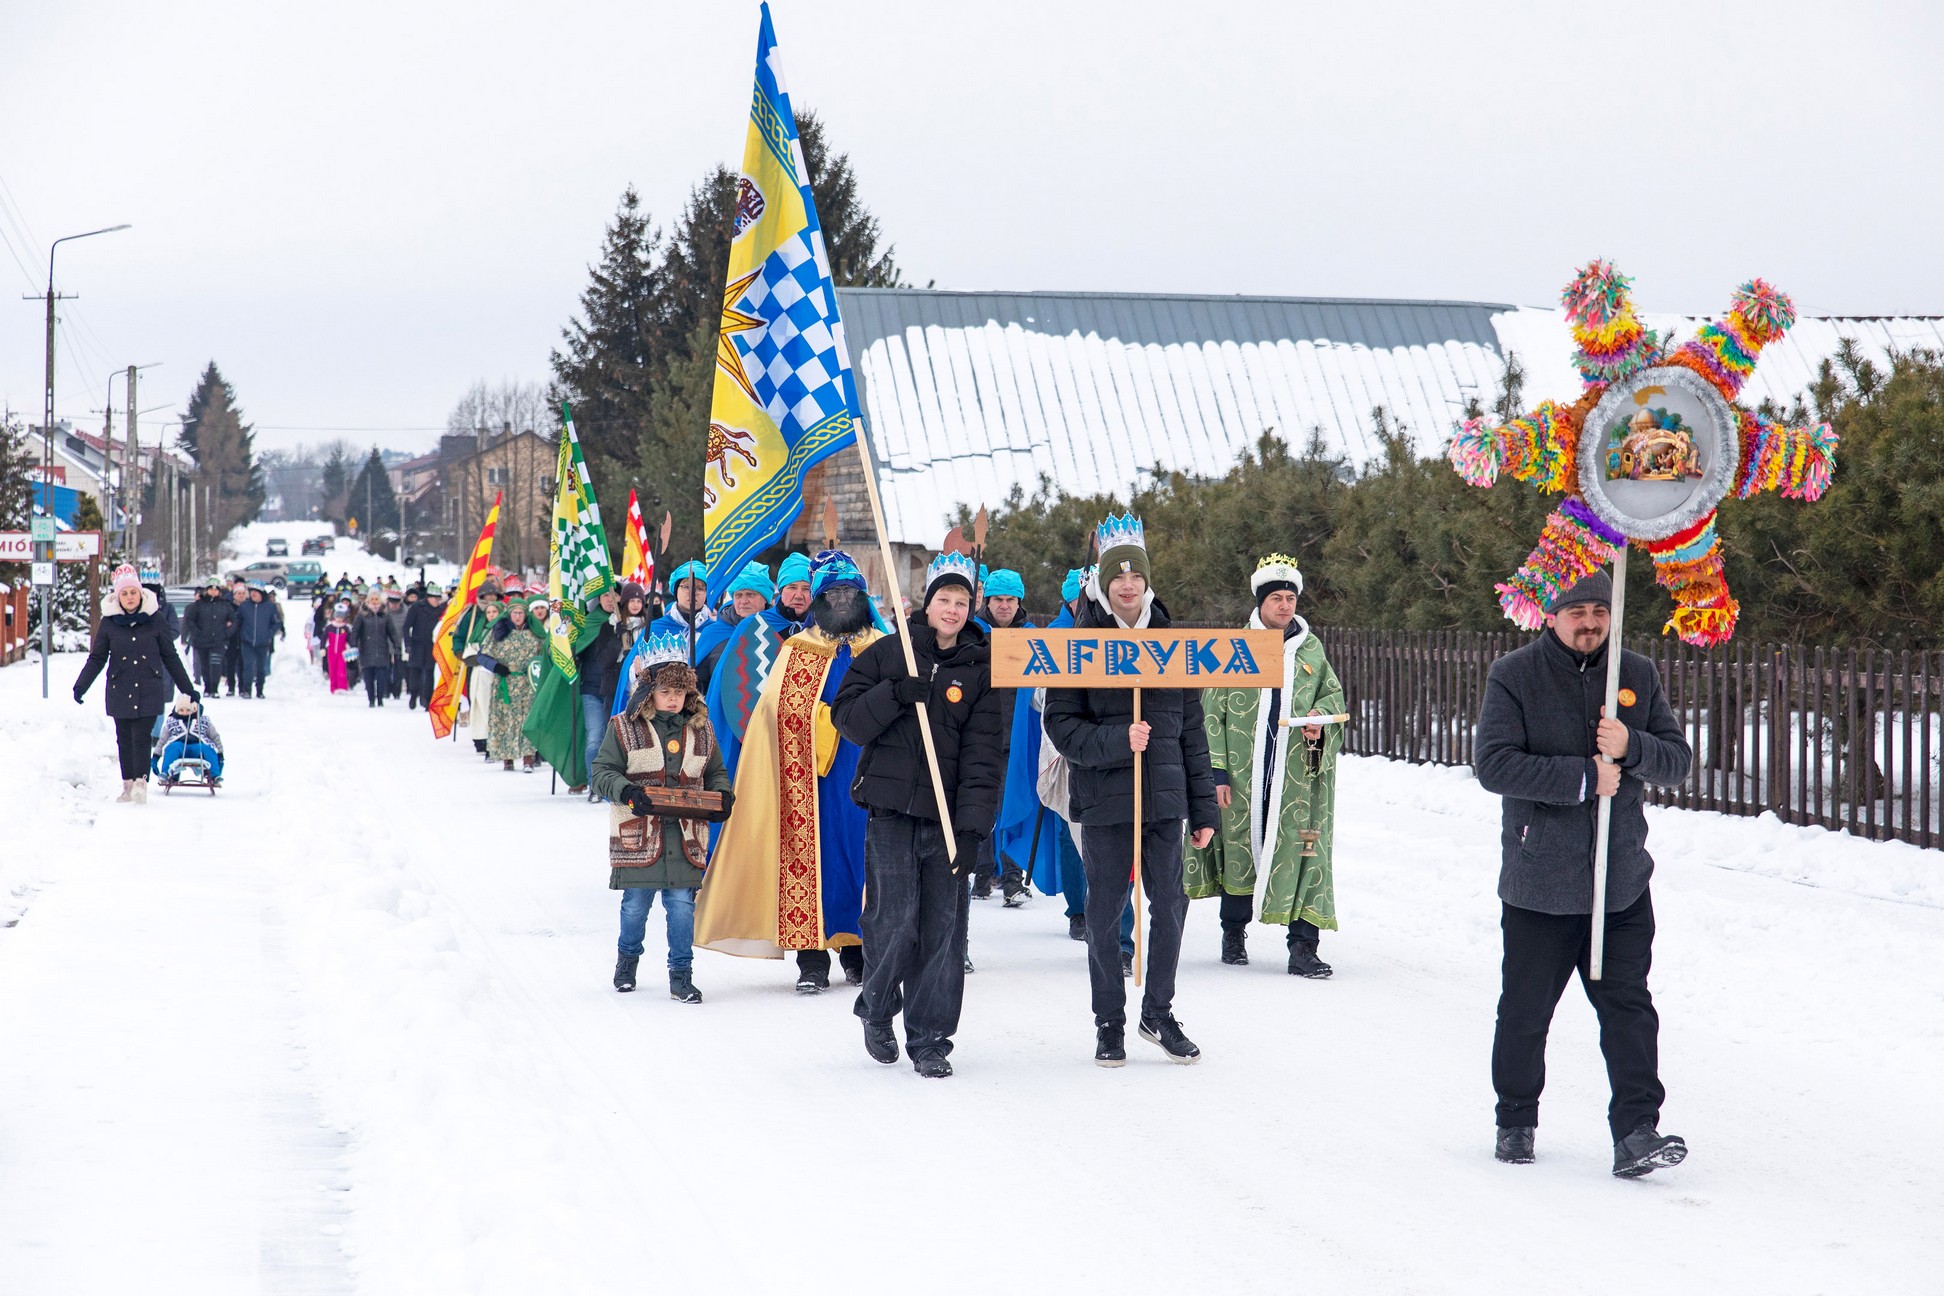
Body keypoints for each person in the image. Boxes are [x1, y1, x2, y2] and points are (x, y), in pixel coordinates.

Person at [1474, 571, 1693, 1176]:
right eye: (1577, 611)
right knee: (1525, 1011)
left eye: (1600, 609)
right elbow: (1493, 764)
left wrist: (1632, 746)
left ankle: (1637, 1133)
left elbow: (1678, 762)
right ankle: (1515, 1119)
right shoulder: (1514, 675)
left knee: (1629, 1008)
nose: (1590, 622)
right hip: (1540, 882)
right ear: (1551, 615)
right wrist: (1580, 779)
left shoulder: (1637, 674)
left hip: (1620, 882)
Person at [1044, 514, 1219, 1067]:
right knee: (1103, 913)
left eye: (1136, 577)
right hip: (1105, 801)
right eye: (1117, 577)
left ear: (1146, 583)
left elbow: (1193, 732)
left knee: (1169, 905)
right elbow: (1062, 726)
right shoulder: (1079, 645)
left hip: (1165, 803)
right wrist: (1119, 739)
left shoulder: (1173, 645)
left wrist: (1202, 805)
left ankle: (1158, 1013)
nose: (1127, 585)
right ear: (1103, 582)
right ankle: (1109, 1020)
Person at [833, 553, 1007, 1077]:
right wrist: (893, 695)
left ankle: (931, 1038)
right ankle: (878, 1008)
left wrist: (974, 828)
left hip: (948, 821)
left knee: (942, 930)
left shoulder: (980, 668)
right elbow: (848, 721)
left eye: (961, 602)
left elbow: (984, 756)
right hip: (890, 811)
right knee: (893, 920)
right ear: (926, 605)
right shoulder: (889, 655)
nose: (952, 610)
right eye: (944, 600)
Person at [694, 551, 884, 991]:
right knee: (812, 861)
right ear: (818, 599)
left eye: (848, 592)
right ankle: (812, 962)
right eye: (831, 592)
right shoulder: (798, 650)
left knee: (866, 861)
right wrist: (832, 721)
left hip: (869, 774)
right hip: (810, 779)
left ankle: (859, 952)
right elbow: (778, 713)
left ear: (861, 597)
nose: (840, 600)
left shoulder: (880, 648)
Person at [1186, 555, 1346, 977]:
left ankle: (1303, 948)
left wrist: (1319, 726)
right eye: (1276, 598)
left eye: (1290, 598)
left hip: (1297, 778)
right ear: (1260, 602)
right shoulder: (1234, 648)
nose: (1284, 606)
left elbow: (1333, 701)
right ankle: (1233, 932)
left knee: (1303, 851)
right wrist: (1216, 772)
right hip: (1244, 775)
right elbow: (1212, 711)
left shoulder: (1311, 649)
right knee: (1240, 848)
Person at [994, 567, 1137, 959]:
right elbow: (1038, 698)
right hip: (1066, 754)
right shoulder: (1053, 638)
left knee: (1117, 845)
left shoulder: (1127, 636)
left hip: (1117, 753)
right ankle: (1080, 912)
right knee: (1074, 837)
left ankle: (1120, 937)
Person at [590, 632, 735, 1003]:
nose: (673, 699)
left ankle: (681, 974)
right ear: (649, 692)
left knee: (683, 908)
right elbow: (602, 771)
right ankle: (627, 962)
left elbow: (715, 771)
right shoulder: (623, 726)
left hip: (685, 835)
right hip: (638, 833)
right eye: (666, 691)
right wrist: (628, 791)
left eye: (680, 692)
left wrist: (723, 796)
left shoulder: (702, 728)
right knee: (636, 907)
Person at [72, 564, 198, 804]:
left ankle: (141, 783)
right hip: (120, 687)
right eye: (124, 593)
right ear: (118, 597)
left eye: (133, 592)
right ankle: (128, 785)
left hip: (149, 686)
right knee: (124, 737)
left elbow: (170, 656)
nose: (130, 597)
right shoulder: (109, 623)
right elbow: (98, 657)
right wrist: (82, 685)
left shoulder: (155, 619)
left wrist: (187, 689)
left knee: (141, 735)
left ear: (140, 593)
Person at [970, 568, 1032, 906]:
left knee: (1012, 807)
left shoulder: (1030, 635)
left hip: (1016, 738)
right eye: (998, 600)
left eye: (1010, 600)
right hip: (981, 736)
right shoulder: (972, 632)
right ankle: (982, 873)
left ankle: (1012, 879)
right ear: (988, 601)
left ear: (1019, 601)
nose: (1004, 606)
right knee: (981, 808)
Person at [571, 585, 626, 796]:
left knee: (616, 740)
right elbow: (576, 647)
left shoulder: (628, 622)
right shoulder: (587, 622)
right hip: (592, 689)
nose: (610, 600)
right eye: (605, 595)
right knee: (595, 737)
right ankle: (594, 784)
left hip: (616, 690)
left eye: (615, 595)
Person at [485, 594, 547, 770]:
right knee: (506, 719)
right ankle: (507, 758)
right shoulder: (499, 633)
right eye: (514, 613)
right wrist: (496, 666)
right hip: (505, 683)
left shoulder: (535, 634)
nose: (518, 616)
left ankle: (528, 757)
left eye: (521, 613)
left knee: (527, 719)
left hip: (527, 683)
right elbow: (483, 655)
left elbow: (545, 654)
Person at [453, 578, 505, 753]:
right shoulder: (472, 613)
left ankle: (498, 736)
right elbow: (460, 636)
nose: (491, 598)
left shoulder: (504, 613)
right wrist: (461, 652)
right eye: (488, 594)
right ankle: (481, 738)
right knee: (477, 701)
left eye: (494, 594)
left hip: (499, 666)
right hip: (476, 663)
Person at [180, 578, 236, 697]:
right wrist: (196, 632)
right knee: (204, 665)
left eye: (216, 589)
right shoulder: (199, 605)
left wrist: (226, 633)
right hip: (202, 641)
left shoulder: (225, 605)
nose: (213, 592)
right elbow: (190, 620)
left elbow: (233, 621)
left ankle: (214, 689)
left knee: (216, 664)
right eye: (211, 589)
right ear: (207, 590)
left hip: (219, 641)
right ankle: (207, 687)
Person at [153, 694, 225, 783]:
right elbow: (162, 741)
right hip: (179, 748)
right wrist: (155, 757)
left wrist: (220, 754)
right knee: (173, 747)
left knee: (207, 749)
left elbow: (215, 737)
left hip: (198, 747)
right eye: (181, 710)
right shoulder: (171, 722)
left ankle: (214, 775)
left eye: (188, 710)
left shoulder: (203, 721)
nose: (185, 713)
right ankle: (166, 773)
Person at [349, 591, 403, 708]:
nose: (374, 602)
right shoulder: (362, 615)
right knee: (368, 676)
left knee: (381, 676)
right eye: (372, 599)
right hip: (366, 650)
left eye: (377, 599)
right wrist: (353, 643)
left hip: (382, 650)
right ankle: (371, 699)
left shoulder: (385, 615)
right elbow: (355, 631)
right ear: (368, 601)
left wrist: (396, 645)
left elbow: (392, 632)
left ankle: (380, 698)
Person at [235, 582, 282, 699]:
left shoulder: (270, 607)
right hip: (247, 641)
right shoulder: (244, 606)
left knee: (261, 668)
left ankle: (259, 690)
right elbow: (238, 621)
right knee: (248, 666)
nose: (253, 594)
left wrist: (268, 634)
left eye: (255, 592)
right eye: (251, 592)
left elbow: (277, 623)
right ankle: (247, 690)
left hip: (263, 642)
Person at [401, 584, 444, 710]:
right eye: (434, 598)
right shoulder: (416, 607)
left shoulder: (441, 610)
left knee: (429, 674)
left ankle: (427, 699)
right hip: (417, 644)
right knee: (415, 672)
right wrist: (408, 644)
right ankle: (414, 695)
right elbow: (406, 626)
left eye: (438, 598)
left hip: (432, 646)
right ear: (428, 598)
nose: (436, 600)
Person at [384, 588, 409, 699]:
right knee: (386, 669)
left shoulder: (406, 612)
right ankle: (385, 690)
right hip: (385, 645)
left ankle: (396, 691)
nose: (394, 605)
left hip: (400, 645)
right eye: (392, 602)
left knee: (399, 670)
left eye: (396, 602)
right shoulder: (383, 612)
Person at [323, 601, 353, 693]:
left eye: (341, 617)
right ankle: (333, 687)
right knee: (332, 669)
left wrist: (350, 648)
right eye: (337, 617)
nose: (339, 619)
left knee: (341, 669)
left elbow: (349, 640)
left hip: (342, 652)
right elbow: (324, 638)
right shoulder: (330, 627)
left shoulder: (346, 628)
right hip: (331, 651)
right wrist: (322, 648)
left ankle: (342, 687)